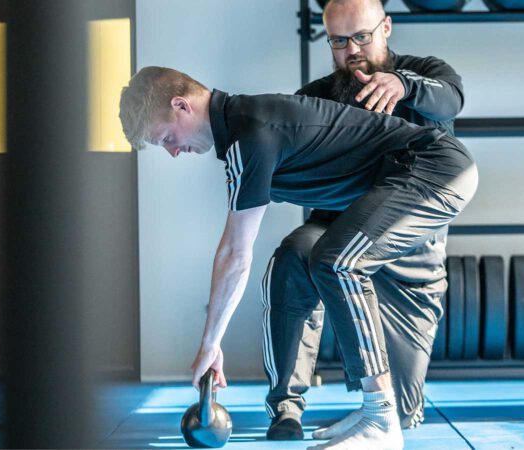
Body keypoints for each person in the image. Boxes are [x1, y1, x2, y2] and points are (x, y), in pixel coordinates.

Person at [119, 66, 477, 449]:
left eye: (167, 138)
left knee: (338, 261)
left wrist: (210, 344)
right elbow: (235, 250)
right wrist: (213, 340)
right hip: (417, 173)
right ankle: (370, 410)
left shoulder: (251, 132)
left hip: (433, 168)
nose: (174, 152)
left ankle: (381, 417)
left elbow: (235, 252)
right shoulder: (242, 130)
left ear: (181, 106)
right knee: (321, 256)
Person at [262, 0, 467, 440]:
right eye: (339, 41)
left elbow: (452, 99)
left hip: (407, 248)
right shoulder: (315, 97)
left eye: (362, 37)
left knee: (406, 414)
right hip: (335, 231)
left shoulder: (427, 73)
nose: (351, 50)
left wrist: (402, 86)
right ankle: (285, 406)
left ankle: (386, 410)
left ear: (386, 28)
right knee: (294, 255)